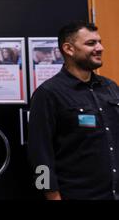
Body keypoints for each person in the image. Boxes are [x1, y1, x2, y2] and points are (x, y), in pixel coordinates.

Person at [28, 21, 119, 200]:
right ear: (69, 49)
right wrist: (50, 195)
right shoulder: (48, 93)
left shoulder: (111, 88)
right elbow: (39, 155)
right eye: (91, 43)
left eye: (99, 42)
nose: (100, 48)